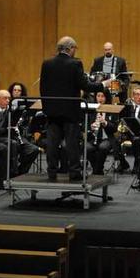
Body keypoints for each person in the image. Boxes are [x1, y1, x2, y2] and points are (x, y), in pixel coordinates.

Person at [40, 36, 107, 181]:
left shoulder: (47, 64)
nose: (75, 52)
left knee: (52, 142)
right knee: (72, 143)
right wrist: (103, 85)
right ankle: (74, 172)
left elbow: (43, 87)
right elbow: (86, 86)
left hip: (51, 109)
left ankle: (51, 171)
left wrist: (47, 107)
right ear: (70, 48)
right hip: (70, 110)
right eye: (75, 49)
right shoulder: (75, 64)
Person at [0, 89, 40, 188]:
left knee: (33, 149)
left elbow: (17, 127)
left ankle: (20, 174)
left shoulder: (12, 111)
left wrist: (18, 127)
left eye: (9, 98)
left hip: (12, 136)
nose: (8, 100)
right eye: (5, 98)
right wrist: (6, 129)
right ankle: (12, 173)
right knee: (12, 143)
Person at [85, 90, 116, 176]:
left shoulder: (112, 109)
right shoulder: (92, 109)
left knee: (103, 147)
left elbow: (114, 128)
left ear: (106, 98)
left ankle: (96, 171)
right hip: (93, 138)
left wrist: (105, 123)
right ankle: (97, 170)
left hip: (107, 138)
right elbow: (85, 125)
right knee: (87, 148)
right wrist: (91, 127)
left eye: (103, 96)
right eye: (98, 96)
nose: (100, 99)